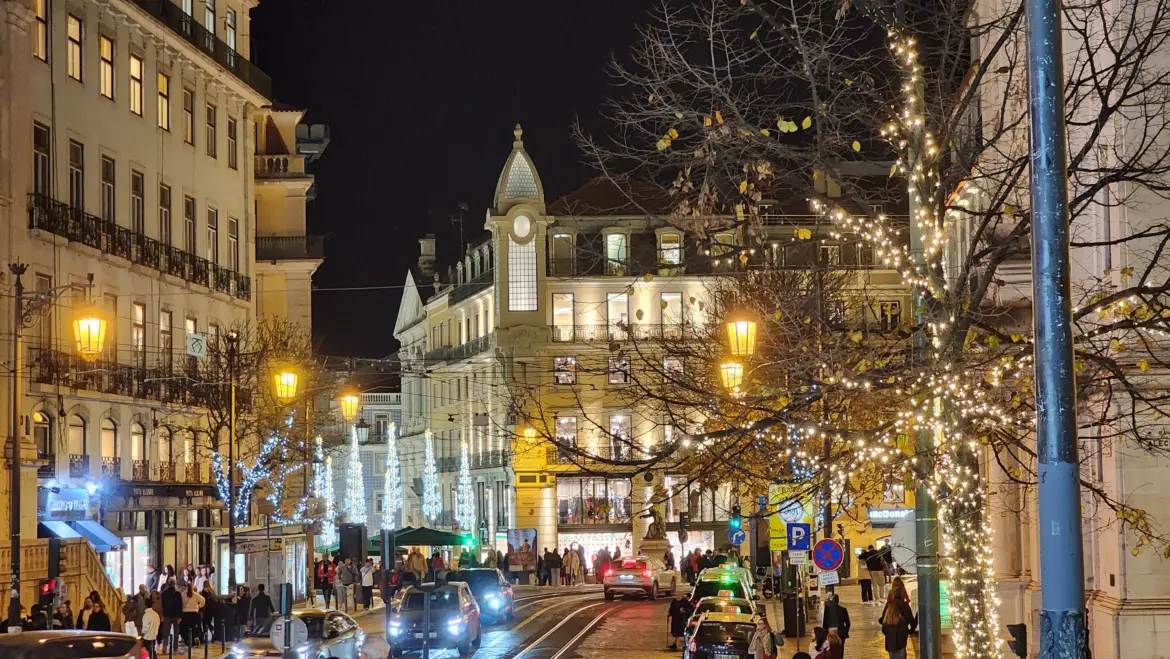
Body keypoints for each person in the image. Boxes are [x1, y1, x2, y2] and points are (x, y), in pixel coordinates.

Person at [880, 577, 915, 659]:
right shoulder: (904, 605)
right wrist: (909, 631)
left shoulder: (889, 605)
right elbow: (912, 622)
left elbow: (883, 620)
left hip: (890, 640)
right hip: (901, 638)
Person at [160, 580, 183, 652]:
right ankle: (175, 647)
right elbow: (180, 605)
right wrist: (180, 616)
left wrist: (162, 615)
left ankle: (165, 647)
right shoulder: (178, 593)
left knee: (166, 632)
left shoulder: (164, 593)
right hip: (175, 615)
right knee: (175, 631)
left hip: (167, 614)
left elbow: (162, 605)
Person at [179, 583, 205, 648]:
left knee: (185, 628)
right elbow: (203, 600)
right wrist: (199, 606)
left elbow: (180, 602)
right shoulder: (195, 594)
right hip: (194, 613)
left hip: (185, 613)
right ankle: (194, 640)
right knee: (193, 628)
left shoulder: (183, 594)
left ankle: (187, 640)